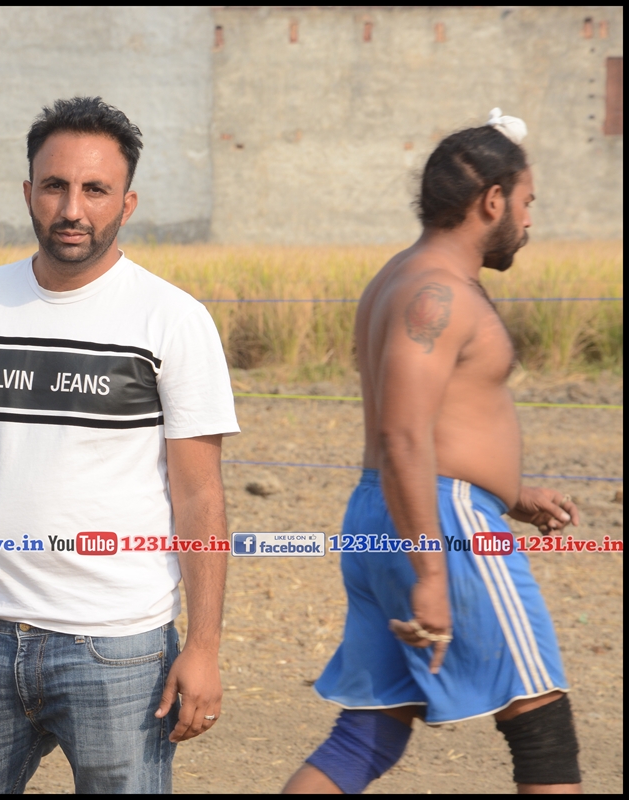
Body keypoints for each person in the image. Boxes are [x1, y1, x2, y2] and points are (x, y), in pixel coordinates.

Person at [0, 96, 239, 793]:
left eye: (95, 189)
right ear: (28, 193)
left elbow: (200, 495)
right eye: (55, 186)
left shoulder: (172, 319)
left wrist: (203, 645)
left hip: (121, 648)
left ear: (127, 203)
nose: (73, 209)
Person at [283, 110, 583, 794]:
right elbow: (404, 433)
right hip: (443, 528)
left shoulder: (400, 275)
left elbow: (431, 426)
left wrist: (510, 493)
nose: (529, 221)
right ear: (493, 200)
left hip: (384, 512)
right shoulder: (437, 292)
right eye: (528, 202)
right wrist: (431, 572)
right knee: (541, 724)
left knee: (368, 734)